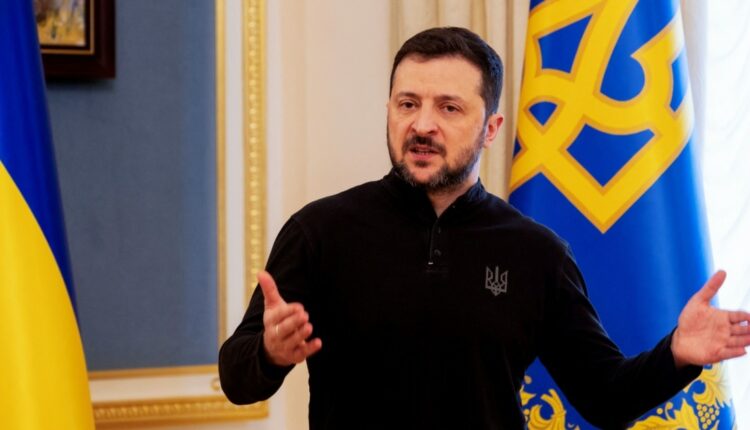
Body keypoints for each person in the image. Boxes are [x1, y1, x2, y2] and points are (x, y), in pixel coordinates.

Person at [219, 27, 750, 429]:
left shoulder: (537, 253)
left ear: (491, 127)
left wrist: (676, 354)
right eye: (408, 104)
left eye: (448, 108)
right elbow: (237, 380)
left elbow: (605, 397)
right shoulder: (319, 231)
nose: (422, 125)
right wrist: (268, 353)